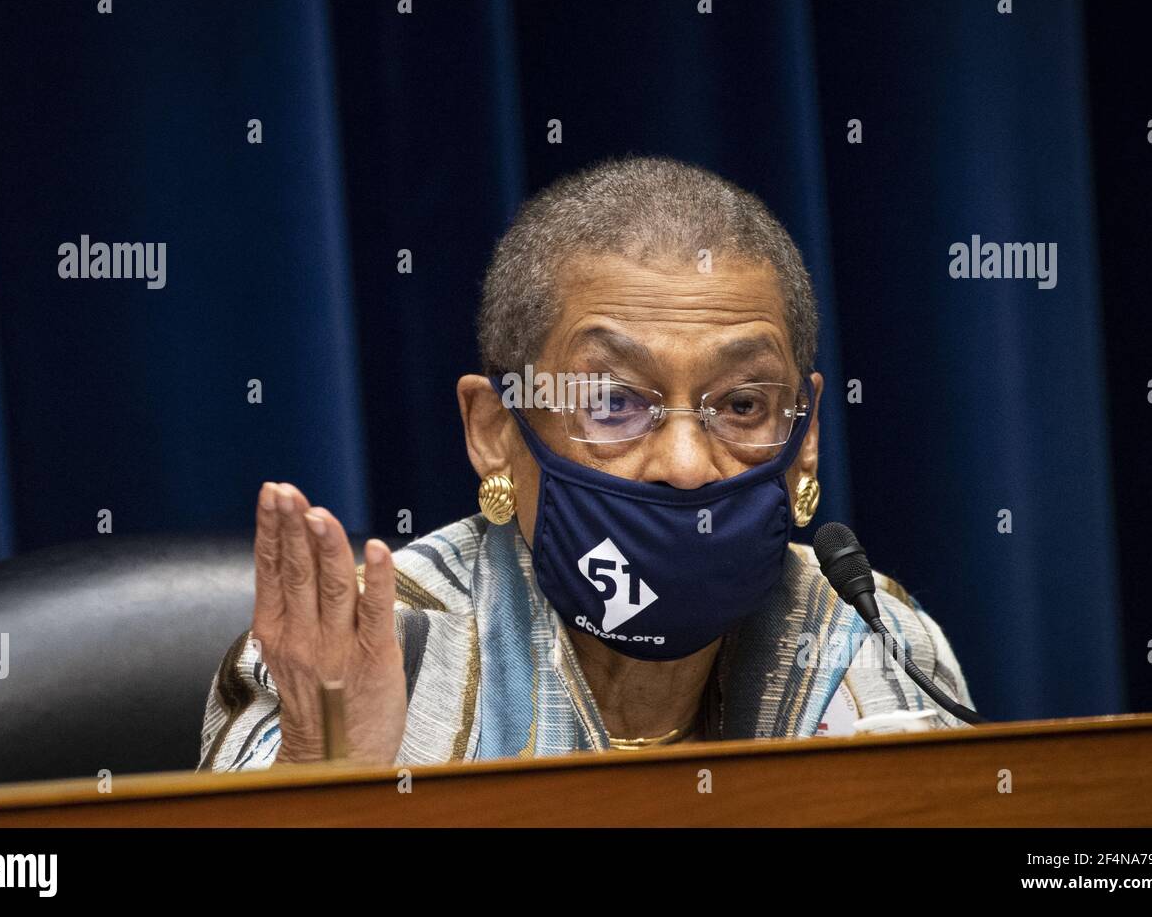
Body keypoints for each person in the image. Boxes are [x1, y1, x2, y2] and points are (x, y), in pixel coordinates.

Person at [199, 156, 974, 771]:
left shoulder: (879, 645)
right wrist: (330, 787)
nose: (685, 465)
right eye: (613, 405)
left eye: (740, 406)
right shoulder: (356, 656)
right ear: (494, 429)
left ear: (804, 437)